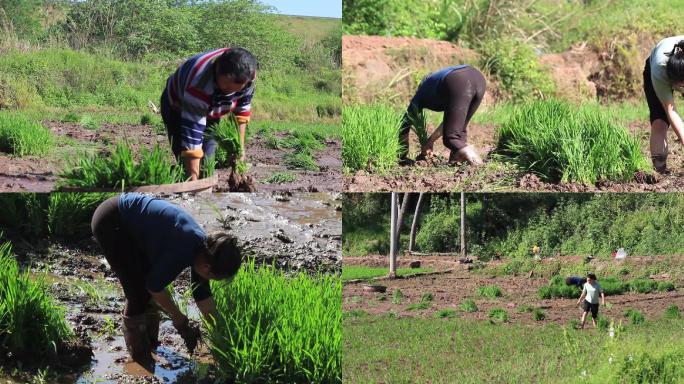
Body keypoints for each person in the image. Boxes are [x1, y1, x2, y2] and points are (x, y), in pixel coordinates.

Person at [91, 193, 242, 369]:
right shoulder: (183, 249)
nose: (209, 280)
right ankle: (139, 358)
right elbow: (154, 288)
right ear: (208, 268)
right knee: (137, 291)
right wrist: (178, 317)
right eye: (214, 278)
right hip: (112, 220)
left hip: (136, 228)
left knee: (145, 279)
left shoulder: (204, 252)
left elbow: (201, 293)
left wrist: (222, 333)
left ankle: (150, 344)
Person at [161, 47, 257, 180]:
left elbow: (242, 109)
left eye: (235, 91)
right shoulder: (199, 83)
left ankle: (203, 182)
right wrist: (194, 184)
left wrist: (239, 149)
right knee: (187, 163)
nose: (229, 94)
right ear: (217, 71)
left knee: (207, 163)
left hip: (211, 110)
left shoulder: (248, 74)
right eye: (226, 88)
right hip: (178, 107)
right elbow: (192, 137)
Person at [399, 65, 486, 166]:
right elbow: (449, 121)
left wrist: (402, 156)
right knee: (459, 130)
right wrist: (430, 141)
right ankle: (456, 162)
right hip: (478, 78)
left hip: (458, 79)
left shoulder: (421, 93)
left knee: (451, 138)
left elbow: (404, 126)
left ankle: (478, 164)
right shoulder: (440, 85)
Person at [644, 36, 684, 173]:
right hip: (657, 69)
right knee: (660, 121)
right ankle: (659, 171)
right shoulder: (659, 67)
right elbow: (670, 110)